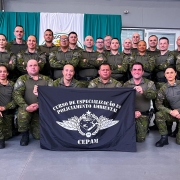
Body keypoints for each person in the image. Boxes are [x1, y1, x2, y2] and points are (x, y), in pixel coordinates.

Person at [13, 59, 53, 146]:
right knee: (23, 114)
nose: (33, 67)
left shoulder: (47, 80)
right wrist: (26, 106)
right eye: (30, 66)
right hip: (26, 107)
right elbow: (16, 95)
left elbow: (52, 95)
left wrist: (39, 105)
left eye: (35, 65)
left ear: (38, 67)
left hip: (42, 108)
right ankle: (24, 134)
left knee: (38, 136)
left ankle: (32, 126)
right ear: (26, 68)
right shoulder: (22, 79)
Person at [123, 62, 157, 142]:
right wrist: (132, 112)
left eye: (139, 70)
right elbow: (123, 101)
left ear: (142, 72)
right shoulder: (126, 84)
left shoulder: (149, 83)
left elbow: (154, 96)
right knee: (127, 137)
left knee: (140, 139)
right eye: (134, 69)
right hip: (129, 114)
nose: (137, 72)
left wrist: (144, 92)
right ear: (131, 72)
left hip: (143, 114)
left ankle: (145, 128)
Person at [155, 66, 180, 147]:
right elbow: (158, 104)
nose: (170, 75)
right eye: (167, 73)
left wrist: (178, 111)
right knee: (159, 115)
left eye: (172, 72)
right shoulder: (163, 88)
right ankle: (164, 138)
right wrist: (171, 111)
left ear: (175, 73)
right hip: (174, 114)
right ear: (165, 75)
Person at [0, 65, 16, 148]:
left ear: (7, 73)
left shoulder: (13, 85)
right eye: (0, 71)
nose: (2, 73)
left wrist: (4, 107)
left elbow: (16, 101)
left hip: (8, 113)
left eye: (4, 71)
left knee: (8, 135)